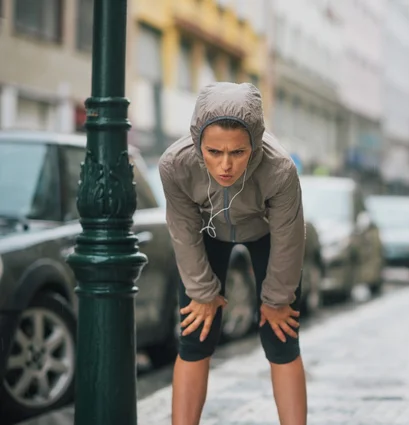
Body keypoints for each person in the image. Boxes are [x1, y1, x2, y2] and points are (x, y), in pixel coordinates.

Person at [158, 82, 307, 425]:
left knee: (281, 333)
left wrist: (277, 298)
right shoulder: (174, 165)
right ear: (198, 143)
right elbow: (181, 228)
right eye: (214, 152)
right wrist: (202, 292)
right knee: (195, 332)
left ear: (253, 146)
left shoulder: (281, 169)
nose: (225, 165)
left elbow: (289, 236)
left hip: (266, 233)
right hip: (206, 233)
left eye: (237, 153)